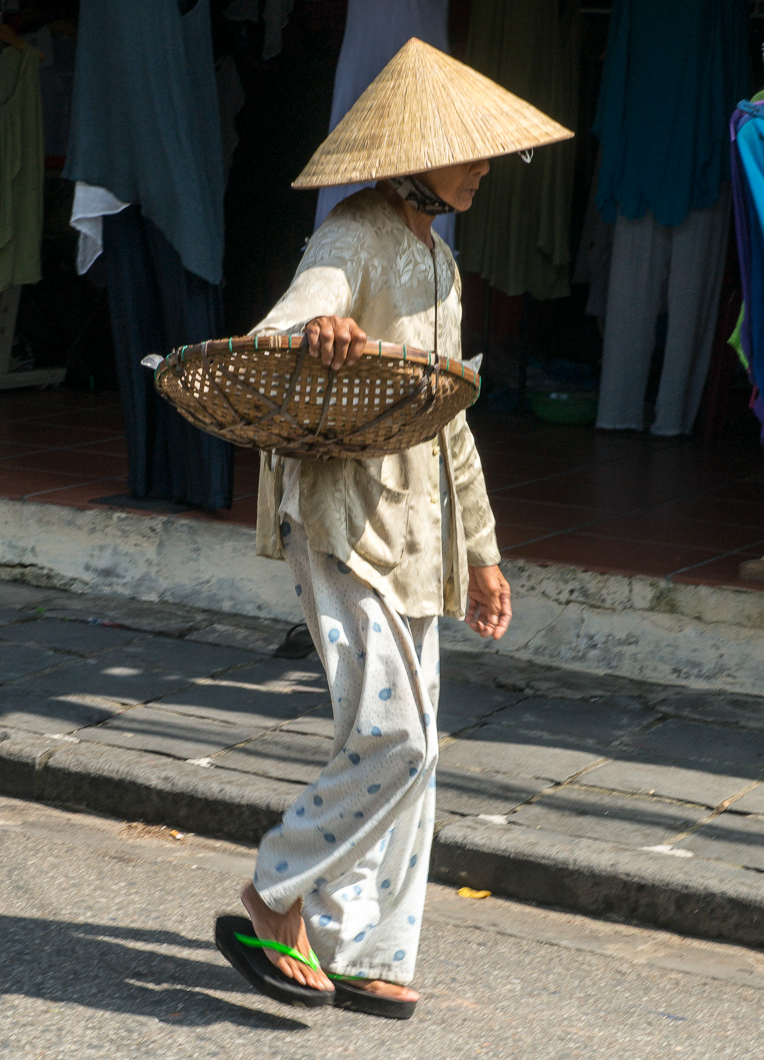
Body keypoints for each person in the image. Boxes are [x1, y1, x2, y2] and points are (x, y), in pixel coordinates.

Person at [212, 39, 571, 1020]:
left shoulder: (441, 265)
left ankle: (365, 942)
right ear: (414, 156)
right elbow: (281, 329)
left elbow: (451, 422)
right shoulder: (352, 236)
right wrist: (312, 335)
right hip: (344, 515)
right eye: (469, 150)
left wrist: (484, 551)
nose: (484, 168)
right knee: (392, 739)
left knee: (420, 754)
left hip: (422, 535)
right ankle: (275, 893)